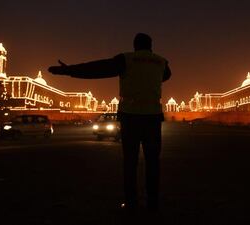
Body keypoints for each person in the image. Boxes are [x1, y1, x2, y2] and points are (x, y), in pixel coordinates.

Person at [48, 33, 171, 212]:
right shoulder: (162, 62)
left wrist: (68, 70)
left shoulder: (126, 59)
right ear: (151, 46)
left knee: (130, 162)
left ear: (135, 46)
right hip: (153, 118)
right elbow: (166, 76)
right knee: (153, 163)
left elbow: (97, 69)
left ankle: (131, 203)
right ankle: (153, 203)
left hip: (130, 116)